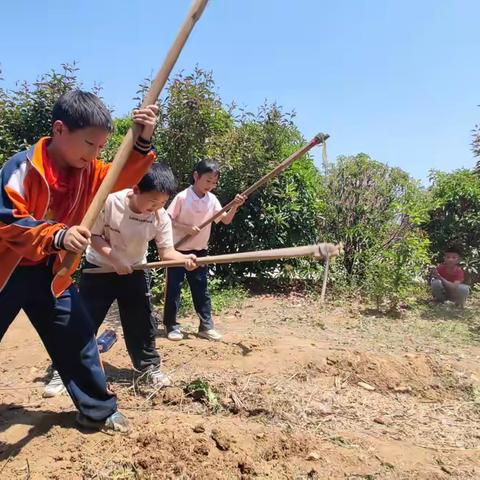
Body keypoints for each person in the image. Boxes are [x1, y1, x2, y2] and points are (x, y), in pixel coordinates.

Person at [0, 90, 158, 432]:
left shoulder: (89, 172)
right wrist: (57, 235)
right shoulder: (23, 168)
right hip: (7, 270)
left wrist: (142, 140)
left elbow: (122, 174)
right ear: (59, 130)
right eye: (89, 144)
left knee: (77, 335)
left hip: (52, 272)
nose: (95, 154)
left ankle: (97, 410)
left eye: (101, 148)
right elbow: (7, 221)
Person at [75, 163, 197, 388]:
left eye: (162, 203)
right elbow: (93, 235)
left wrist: (184, 259)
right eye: (153, 201)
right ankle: (66, 368)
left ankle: (148, 367)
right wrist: (115, 259)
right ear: (136, 189)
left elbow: (166, 251)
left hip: (135, 271)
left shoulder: (160, 216)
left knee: (141, 322)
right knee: (85, 321)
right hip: (99, 269)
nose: (157, 207)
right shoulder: (111, 202)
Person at [163, 159, 246, 341]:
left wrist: (234, 206)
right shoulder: (183, 197)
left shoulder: (212, 200)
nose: (211, 185)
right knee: (173, 290)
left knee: (201, 289)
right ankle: (171, 325)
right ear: (196, 176)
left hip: (200, 252)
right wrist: (185, 228)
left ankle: (206, 327)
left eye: (214, 182)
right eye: (208, 180)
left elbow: (225, 220)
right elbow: (166, 219)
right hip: (177, 252)